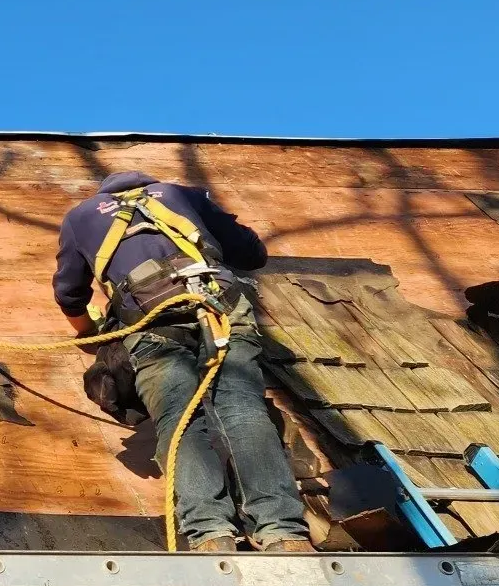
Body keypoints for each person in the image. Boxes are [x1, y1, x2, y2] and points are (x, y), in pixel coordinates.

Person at [54, 170, 314, 553]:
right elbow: (252, 254)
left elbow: (69, 294)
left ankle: (210, 534)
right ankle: (283, 532)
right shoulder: (182, 195)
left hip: (151, 321)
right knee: (243, 411)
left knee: (179, 420)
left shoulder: (81, 216)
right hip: (220, 311)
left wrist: (87, 333)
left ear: (103, 193)